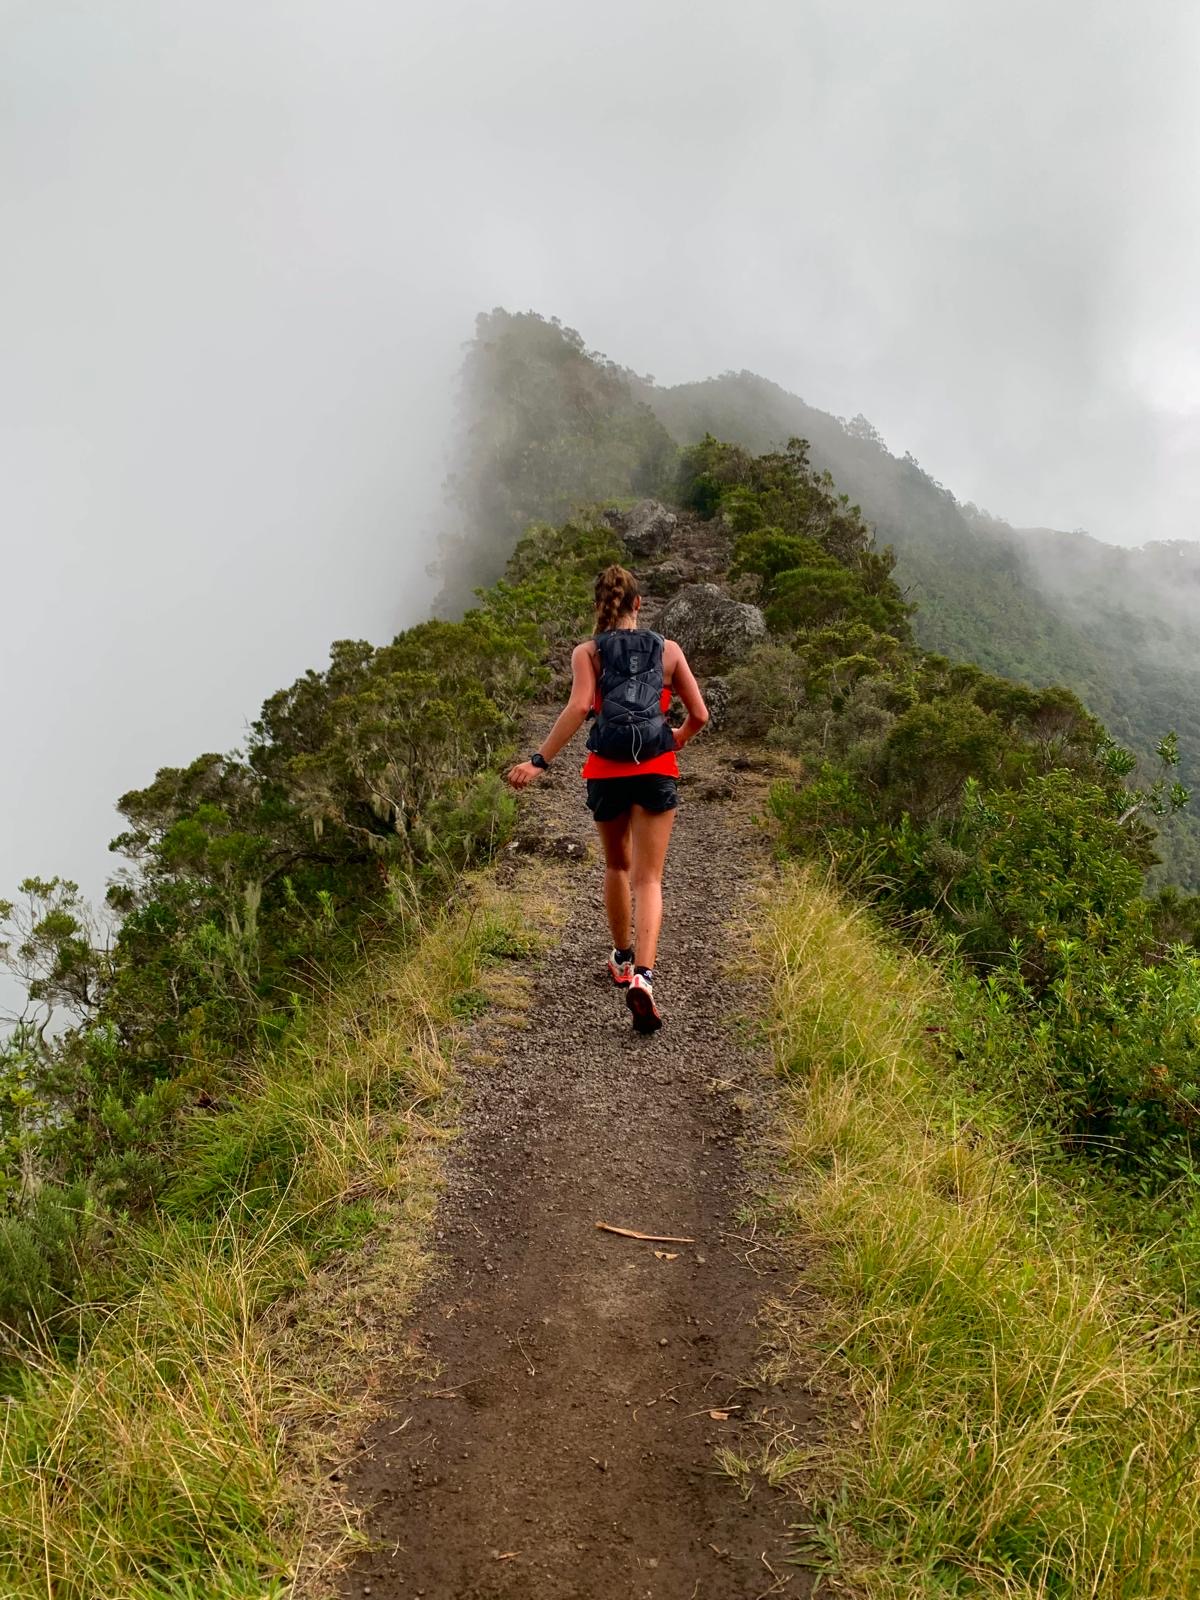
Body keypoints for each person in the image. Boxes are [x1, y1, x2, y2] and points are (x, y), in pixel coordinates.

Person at [506, 564, 709, 1033]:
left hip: (605, 771)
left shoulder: (587, 652)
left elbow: (579, 707)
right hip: (656, 768)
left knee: (617, 865)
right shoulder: (669, 650)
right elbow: (699, 714)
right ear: (638, 603)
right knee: (649, 879)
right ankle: (644, 977)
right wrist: (675, 739)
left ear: (600, 607)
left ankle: (621, 958)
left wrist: (538, 761)